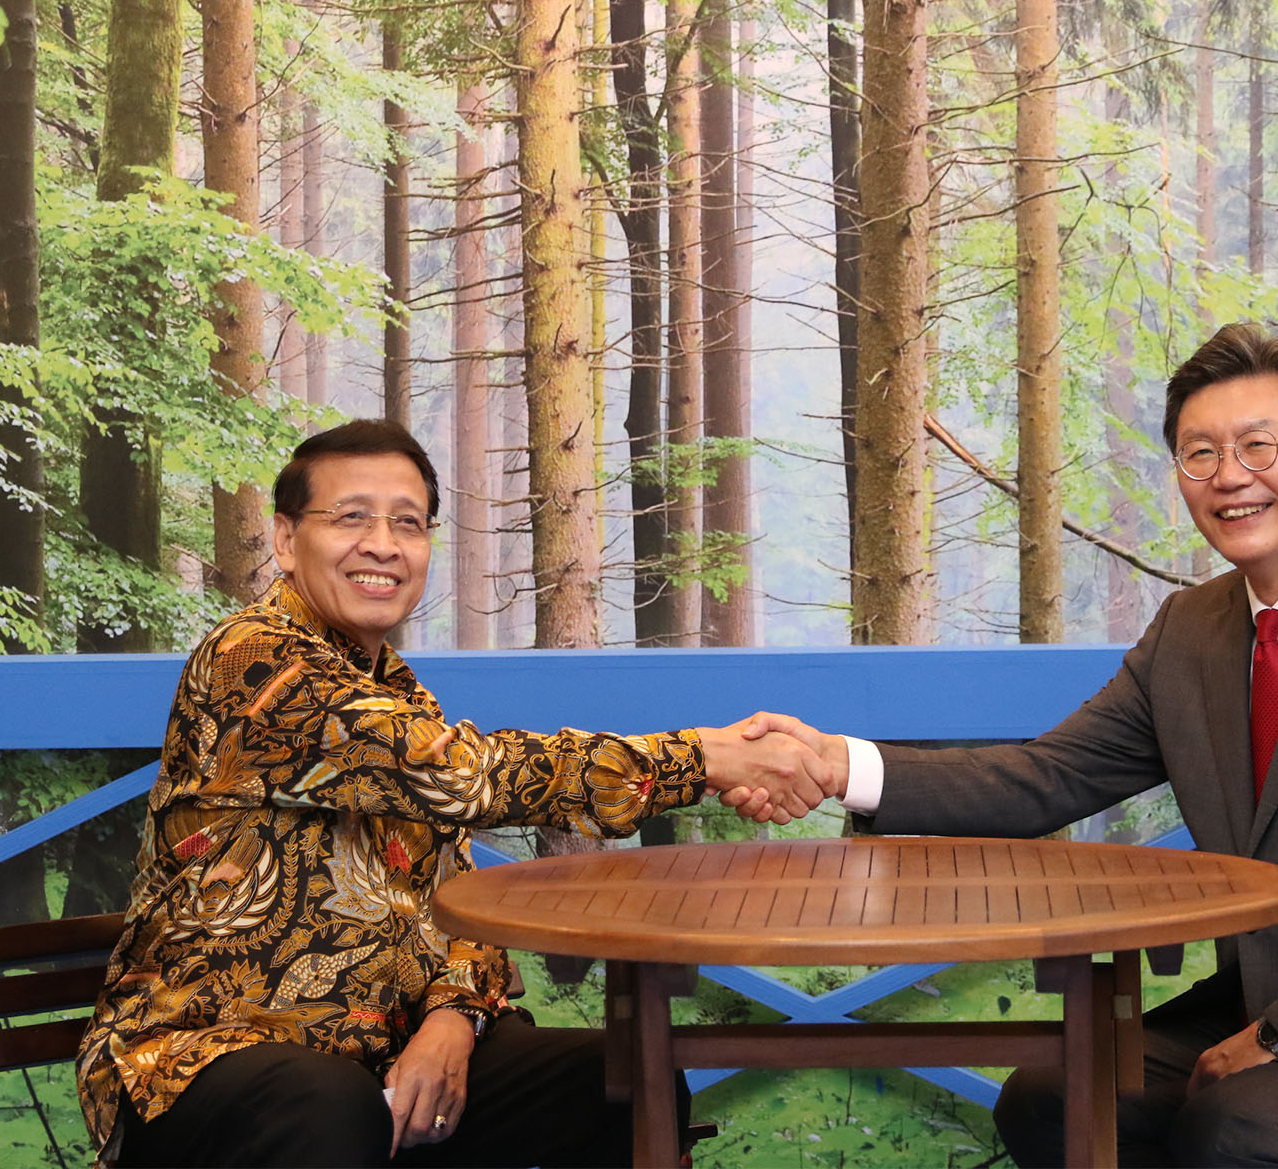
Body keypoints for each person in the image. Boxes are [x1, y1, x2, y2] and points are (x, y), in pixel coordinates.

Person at [741, 325, 1278, 1166]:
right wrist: (835, 764)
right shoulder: (1191, 631)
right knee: (1052, 1100)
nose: (1230, 477)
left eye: (1259, 446)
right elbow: (1043, 777)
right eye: (1200, 454)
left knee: (1237, 1131)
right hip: (1255, 1005)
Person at [77, 419, 828, 1168]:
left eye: (408, 523)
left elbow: (460, 902)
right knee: (328, 1103)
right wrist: (702, 758)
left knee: (622, 1084)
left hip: (384, 1055)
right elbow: (467, 777)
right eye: (351, 517)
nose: (383, 544)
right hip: (201, 1060)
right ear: (285, 540)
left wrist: (453, 1022)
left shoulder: (401, 694)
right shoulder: (253, 661)